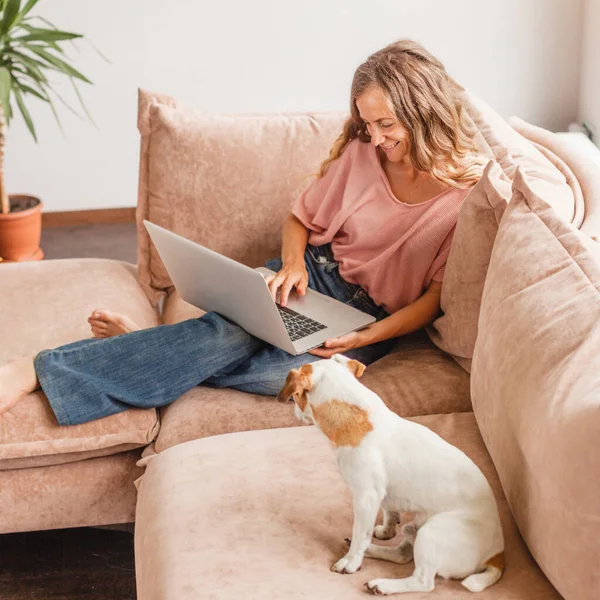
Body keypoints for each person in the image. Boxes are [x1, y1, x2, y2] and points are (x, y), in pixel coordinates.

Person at [0, 39, 484, 425]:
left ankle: (151, 344)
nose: (375, 137)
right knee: (221, 339)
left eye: (385, 124)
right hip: (312, 277)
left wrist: (367, 337)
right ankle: (37, 369)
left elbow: (435, 297)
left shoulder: (464, 198)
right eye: (367, 123)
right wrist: (293, 264)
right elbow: (300, 219)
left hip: (369, 320)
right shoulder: (365, 153)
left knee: (291, 377)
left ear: (423, 110)